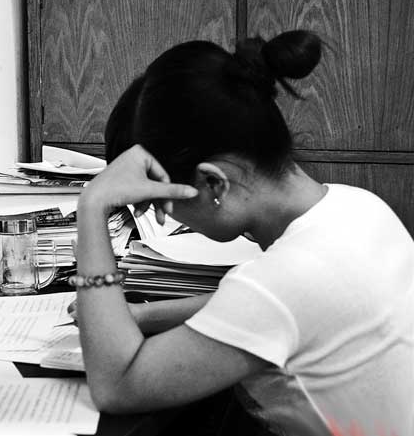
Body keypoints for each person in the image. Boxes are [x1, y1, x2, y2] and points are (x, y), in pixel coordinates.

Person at [70, 30, 414, 436]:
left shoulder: (284, 281)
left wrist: (92, 205)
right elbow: (276, 311)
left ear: (213, 183)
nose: (166, 219)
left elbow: (118, 386)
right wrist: (144, 315)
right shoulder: (357, 206)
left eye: (159, 203)